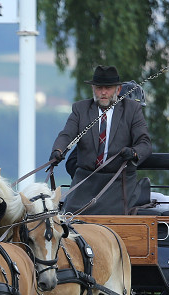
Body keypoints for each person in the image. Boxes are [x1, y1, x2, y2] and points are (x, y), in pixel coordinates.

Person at [50, 66, 152, 215]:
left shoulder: (132, 109)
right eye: (99, 88)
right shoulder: (80, 109)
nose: (103, 92)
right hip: (85, 182)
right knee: (68, 218)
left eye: (108, 88)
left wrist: (134, 153)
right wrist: (58, 150)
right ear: (93, 89)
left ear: (118, 90)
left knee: (115, 217)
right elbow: (66, 135)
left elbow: (145, 142)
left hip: (118, 182)